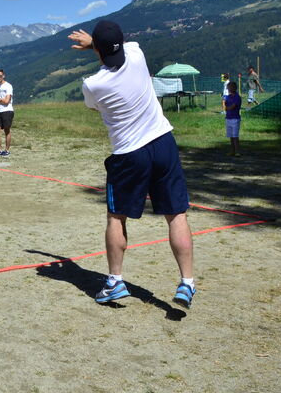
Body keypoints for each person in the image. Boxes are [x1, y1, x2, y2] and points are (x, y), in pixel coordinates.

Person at [69, 20, 195, 308]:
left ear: (98, 50)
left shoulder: (93, 85)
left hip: (129, 154)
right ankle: (187, 282)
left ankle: (115, 281)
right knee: (176, 215)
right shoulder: (137, 54)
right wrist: (98, 46)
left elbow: (92, 106)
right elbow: (121, 49)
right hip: (163, 142)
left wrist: (95, 48)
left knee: (117, 217)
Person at [223, 81, 241, 157]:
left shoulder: (237, 97)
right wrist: (226, 107)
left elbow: (233, 106)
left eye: (230, 87)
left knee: (235, 136)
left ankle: (237, 151)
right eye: (228, 87)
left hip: (235, 119)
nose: (229, 89)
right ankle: (232, 151)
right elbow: (224, 104)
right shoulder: (228, 96)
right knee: (230, 136)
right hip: (228, 118)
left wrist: (227, 108)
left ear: (234, 88)